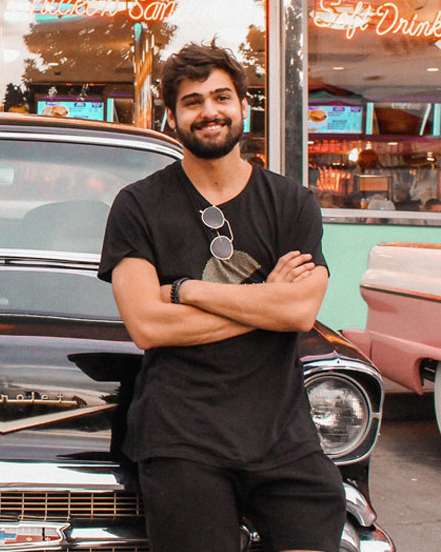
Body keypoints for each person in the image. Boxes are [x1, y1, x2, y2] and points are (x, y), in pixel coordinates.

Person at [98, 43, 344, 552]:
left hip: (282, 435)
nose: (209, 111)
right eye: (192, 102)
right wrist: (267, 303)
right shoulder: (138, 205)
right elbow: (147, 325)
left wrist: (185, 290)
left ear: (243, 106)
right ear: (172, 117)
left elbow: (301, 310)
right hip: (181, 437)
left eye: (221, 97)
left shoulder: (291, 203)